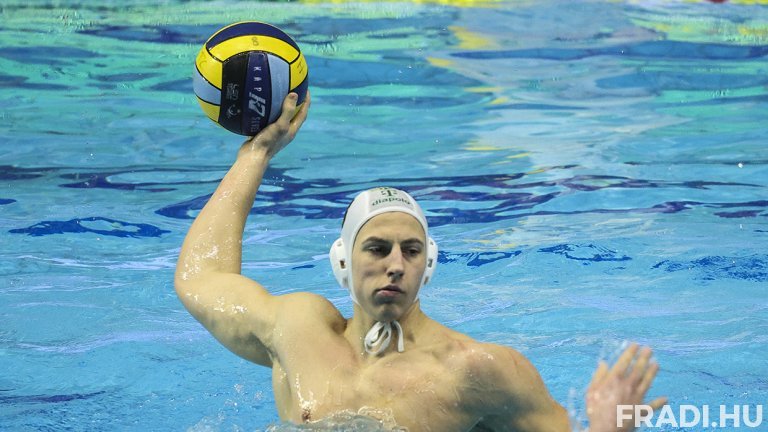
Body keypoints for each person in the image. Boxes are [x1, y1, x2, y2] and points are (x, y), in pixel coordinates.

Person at [175, 92, 666, 431]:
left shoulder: (475, 370)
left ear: (427, 266)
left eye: (411, 251)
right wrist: (257, 154)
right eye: (376, 248)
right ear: (342, 262)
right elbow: (200, 279)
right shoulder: (296, 332)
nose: (395, 264)